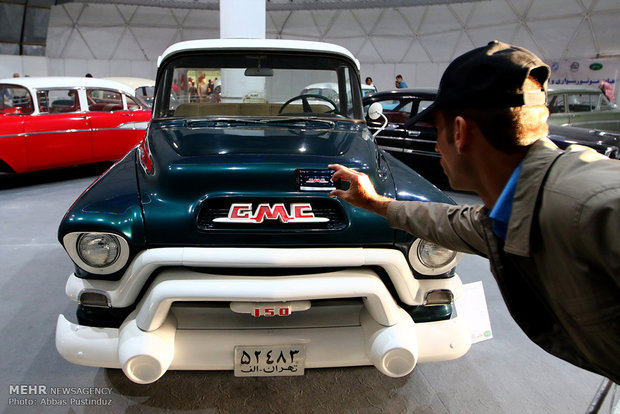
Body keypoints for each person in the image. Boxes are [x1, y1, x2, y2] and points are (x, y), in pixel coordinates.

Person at [329, 40, 619, 384]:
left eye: (437, 131)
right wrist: (375, 204)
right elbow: (452, 223)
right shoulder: (520, 208)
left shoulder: (593, 207)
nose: (436, 145)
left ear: (460, 132)